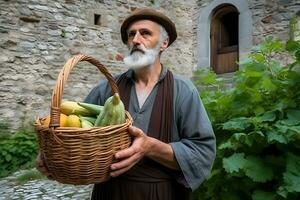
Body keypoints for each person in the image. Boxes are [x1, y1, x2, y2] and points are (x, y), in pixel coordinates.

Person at [37, 8, 216, 200]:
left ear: (164, 43)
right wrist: (51, 155)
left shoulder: (183, 91)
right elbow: (74, 129)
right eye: (132, 35)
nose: (136, 40)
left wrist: (150, 147)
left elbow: (202, 152)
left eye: (145, 33)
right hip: (109, 193)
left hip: (161, 194)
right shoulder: (106, 89)